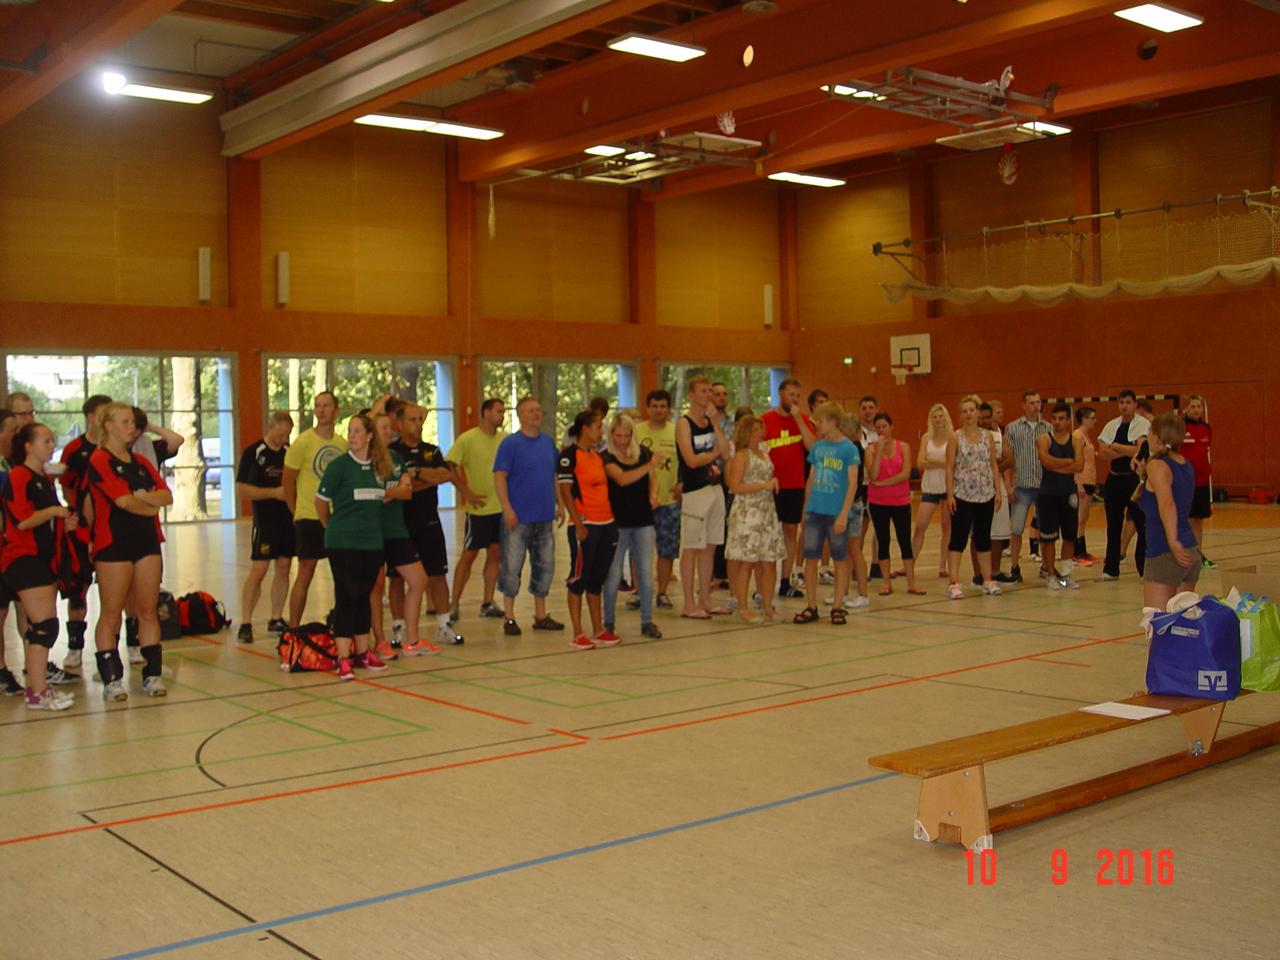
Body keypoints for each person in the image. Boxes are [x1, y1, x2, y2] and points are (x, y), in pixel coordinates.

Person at [86, 403, 172, 701]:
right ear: (107, 425)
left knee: (147, 611)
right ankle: (112, 679)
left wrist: (142, 498)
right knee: (111, 612)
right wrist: (148, 503)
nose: (130, 427)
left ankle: (152, 675)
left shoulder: (141, 462)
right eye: (124, 421)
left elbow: (167, 495)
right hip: (113, 543)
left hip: (146, 542)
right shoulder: (99, 459)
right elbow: (122, 502)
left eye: (132, 422)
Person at [1, 422, 76, 709]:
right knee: (44, 626)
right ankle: (38, 692)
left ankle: (37, 687)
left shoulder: (43, 477)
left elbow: (45, 519)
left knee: (41, 625)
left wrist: (65, 521)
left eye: (52, 440)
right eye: (46, 441)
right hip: (22, 557)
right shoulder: (19, 476)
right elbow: (22, 520)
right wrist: (54, 510)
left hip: (43, 558)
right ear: (28, 446)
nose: (52, 445)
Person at [314, 414, 393, 681]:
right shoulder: (339, 467)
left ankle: (362, 653)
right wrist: (332, 529)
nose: (352, 436)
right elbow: (320, 502)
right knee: (346, 595)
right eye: (350, 431)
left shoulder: (380, 467)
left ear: (370, 436)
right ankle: (343, 658)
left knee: (363, 595)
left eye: (358, 431)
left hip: (371, 542)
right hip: (342, 542)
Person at [387, 405, 461, 649]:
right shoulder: (391, 453)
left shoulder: (431, 451)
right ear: (400, 424)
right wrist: (424, 482)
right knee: (397, 579)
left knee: (437, 575)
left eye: (420, 419)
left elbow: (445, 475)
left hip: (429, 522)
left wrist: (416, 473)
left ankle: (444, 625)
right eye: (412, 419)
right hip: (400, 524)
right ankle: (398, 629)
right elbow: (397, 486)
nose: (417, 423)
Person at [493, 397, 564, 635]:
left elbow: (554, 476)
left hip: (544, 516)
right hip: (518, 518)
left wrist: (560, 504)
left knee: (544, 566)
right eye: (531, 410)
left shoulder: (547, 443)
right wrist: (507, 508)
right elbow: (499, 477)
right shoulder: (510, 444)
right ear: (521, 415)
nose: (536, 414)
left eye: (539, 410)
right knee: (512, 566)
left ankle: (540, 615)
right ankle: (509, 616)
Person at [57, 394, 112, 670]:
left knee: (116, 589)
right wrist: (79, 515)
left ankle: (125, 645)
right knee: (78, 589)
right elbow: (67, 486)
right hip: (80, 529)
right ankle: (75, 647)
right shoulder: (74, 449)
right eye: (103, 413)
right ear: (90, 417)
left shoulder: (113, 448)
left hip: (110, 528)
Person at [558, 410, 620, 649]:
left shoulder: (596, 456)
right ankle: (577, 632)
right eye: (598, 427)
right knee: (578, 578)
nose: (601, 432)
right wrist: (578, 523)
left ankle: (598, 629)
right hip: (586, 524)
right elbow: (565, 491)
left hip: (606, 522)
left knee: (597, 578)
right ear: (585, 429)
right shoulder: (569, 456)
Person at [283, 391, 345, 625]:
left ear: (336, 411)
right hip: (309, 517)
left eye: (326, 405)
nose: (321, 410)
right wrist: (296, 512)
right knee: (305, 573)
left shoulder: (342, 444)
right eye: (318, 405)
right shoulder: (303, 441)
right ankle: (293, 628)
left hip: (336, 519)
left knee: (342, 575)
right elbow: (288, 480)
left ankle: (340, 622)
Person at [793, 402, 858, 625]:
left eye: (820, 421)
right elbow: (811, 479)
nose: (817, 425)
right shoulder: (818, 448)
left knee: (839, 559)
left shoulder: (849, 449)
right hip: (815, 510)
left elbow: (852, 483)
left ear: (833, 421)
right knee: (810, 559)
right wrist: (805, 509)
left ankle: (837, 606)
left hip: (836, 512)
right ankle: (811, 605)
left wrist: (844, 513)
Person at [601, 413, 662, 639]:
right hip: (617, 522)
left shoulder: (643, 453)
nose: (622, 441)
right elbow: (622, 479)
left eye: (626, 436)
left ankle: (647, 620)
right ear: (611, 435)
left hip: (643, 520)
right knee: (614, 573)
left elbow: (653, 480)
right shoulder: (607, 457)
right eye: (618, 436)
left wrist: (653, 494)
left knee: (645, 572)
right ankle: (608, 622)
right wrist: (649, 465)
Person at [235, 411, 294, 643]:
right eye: (280, 435)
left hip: (287, 521)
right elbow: (241, 489)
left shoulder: (289, 453)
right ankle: (246, 622)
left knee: (284, 568)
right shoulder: (254, 452)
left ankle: (276, 618)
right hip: (265, 521)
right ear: (270, 427)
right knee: (259, 570)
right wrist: (273, 493)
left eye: (287, 436)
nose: (283, 440)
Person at [446, 398, 506, 621]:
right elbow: (449, 464)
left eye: (503, 411)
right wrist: (466, 492)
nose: (502, 415)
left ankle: (487, 602)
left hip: (500, 508)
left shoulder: (505, 440)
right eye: (498, 411)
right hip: (479, 509)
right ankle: (454, 603)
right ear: (486, 413)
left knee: (495, 553)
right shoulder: (467, 439)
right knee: (469, 555)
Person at [676, 376, 731, 618]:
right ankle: (689, 603)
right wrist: (713, 454)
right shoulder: (684, 423)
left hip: (715, 488)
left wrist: (716, 424)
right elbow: (690, 460)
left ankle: (705, 599)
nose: (708, 395)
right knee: (692, 547)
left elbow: (726, 453)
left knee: (711, 546)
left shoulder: (712, 422)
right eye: (703, 391)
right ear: (691, 396)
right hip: (695, 491)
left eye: (710, 390)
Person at [725, 415, 786, 622]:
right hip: (747, 512)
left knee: (769, 561)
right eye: (756, 429)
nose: (761, 432)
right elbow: (735, 486)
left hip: (766, 511)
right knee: (747, 561)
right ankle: (743, 608)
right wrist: (763, 485)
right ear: (746, 433)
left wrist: (772, 481)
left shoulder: (763, 453)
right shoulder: (741, 455)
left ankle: (768, 605)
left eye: (761, 428)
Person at [1138, 412, 1201, 611]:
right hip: (1189, 548)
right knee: (1182, 621)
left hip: (1164, 551)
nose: (1147, 436)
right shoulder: (1184, 463)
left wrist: (1172, 542)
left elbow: (1168, 504)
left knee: (1157, 622)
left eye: (1149, 432)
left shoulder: (1158, 466)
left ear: (1157, 437)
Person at [761, 378, 816, 599]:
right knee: (768, 533)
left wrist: (799, 420)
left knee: (791, 531)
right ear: (780, 394)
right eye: (790, 394)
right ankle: (764, 584)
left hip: (795, 485)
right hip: (771, 486)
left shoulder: (803, 419)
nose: (794, 399)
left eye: (797, 395)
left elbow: (812, 447)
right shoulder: (765, 420)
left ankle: (785, 581)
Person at [945, 395, 1003, 598]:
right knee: (958, 538)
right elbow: (950, 467)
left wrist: (997, 491)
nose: (968, 414)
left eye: (971, 410)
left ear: (978, 413)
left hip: (985, 493)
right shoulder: (955, 437)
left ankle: (987, 579)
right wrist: (950, 495)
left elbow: (993, 464)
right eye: (965, 411)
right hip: (962, 493)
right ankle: (953, 582)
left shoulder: (988, 436)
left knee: (983, 538)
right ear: (960, 415)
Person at [1097, 389, 1151, 581]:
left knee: (1141, 525)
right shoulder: (1111, 425)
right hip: (1114, 480)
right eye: (1121, 402)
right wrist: (1127, 450)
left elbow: (1141, 450)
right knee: (1113, 525)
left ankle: (1144, 569)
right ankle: (1111, 569)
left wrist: (1116, 446)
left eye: (1128, 402)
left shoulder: (1143, 424)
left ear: (1135, 404)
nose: (1124, 406)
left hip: (1134, 480)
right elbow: (1103, 452)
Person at [633, 390, 680, 608]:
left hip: (669, 500)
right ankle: (638, 592)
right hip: (640, 501)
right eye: (654, 406)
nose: (658, 410)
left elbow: (686, 461)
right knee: (637, 549)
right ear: (647, 408)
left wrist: (682, 483)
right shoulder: (636, 431)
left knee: (667, 549)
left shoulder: (677, 431)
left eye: (663, 406)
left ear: (668, 409)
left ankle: (662, 592)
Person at [867, 412, 921, 595]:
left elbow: (905, 473)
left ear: (891, 427)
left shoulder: (903, 447)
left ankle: (911, 583)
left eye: (884, 426)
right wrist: (878, 452)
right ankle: (886, 583)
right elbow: (873, 474)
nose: (881, 430)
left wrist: (883, 483)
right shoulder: (870, 450)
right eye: (878, 427)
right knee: (883, 540)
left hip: (900, 500)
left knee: (904, 540)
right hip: (877, 501)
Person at [1003, 390, 1050, 583]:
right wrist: (1008, 484)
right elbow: (1007, 459)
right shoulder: (1013, 428)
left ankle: (1046, 566)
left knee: (1046, 529)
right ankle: (1014, 566)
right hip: (1022, 486)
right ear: (1023, 405)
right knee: (1016, 528)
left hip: (1044, 485)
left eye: (1038, 402)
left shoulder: (1048, 427)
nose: (1036, 406)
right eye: (1031, 403)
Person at [1036, 402, 1085, 590]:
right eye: (1054, 418)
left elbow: (1079, 465)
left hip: (1068, 493)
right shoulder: (1044, 439)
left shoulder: (1076, 441)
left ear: (1068, 420)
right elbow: (1046, 462)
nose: (1057, 422)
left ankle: (1066, 573)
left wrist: (1057, 465)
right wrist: (1067, 462)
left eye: (1061, 418)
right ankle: (1050, 574)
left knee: (1070, 536)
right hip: (1048, 494)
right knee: (1049, 537)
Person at [912, 403, 953, 579]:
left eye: (940, 416)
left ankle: (943, 565)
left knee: (947, 527)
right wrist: (942, 463)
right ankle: (910, 563)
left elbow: (953, 463)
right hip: (930, 487)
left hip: (948, 488)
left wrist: (933, 460)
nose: (937, 420)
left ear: (945, 418)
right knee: (920, 526)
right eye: (934, 417)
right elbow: (920, 463)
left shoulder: (953, 437)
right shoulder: (926, 438)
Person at [1181, 395, 1214, 567]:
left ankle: (1197, 556)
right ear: (1186, 408)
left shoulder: (1206, 428)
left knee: (1197, 519)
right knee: (1182, 518)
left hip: (1202, 481)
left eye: (1198, 407)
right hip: (1184, 481)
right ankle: (1180, 554)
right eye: (1193, 406)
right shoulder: (1180, 427)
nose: (1196, 410)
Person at [1072, 406, 1099, 565]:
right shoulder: (1077, 436)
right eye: (1092, 418)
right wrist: (1079, 484)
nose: (1094, 421)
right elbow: (1075, 460)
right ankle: (1076, 553)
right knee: (1079, 518)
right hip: (1082, 480)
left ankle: (1083, 550)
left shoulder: (1086, 436)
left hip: (1090, 479)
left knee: (1084, 518)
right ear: (1084, 419)